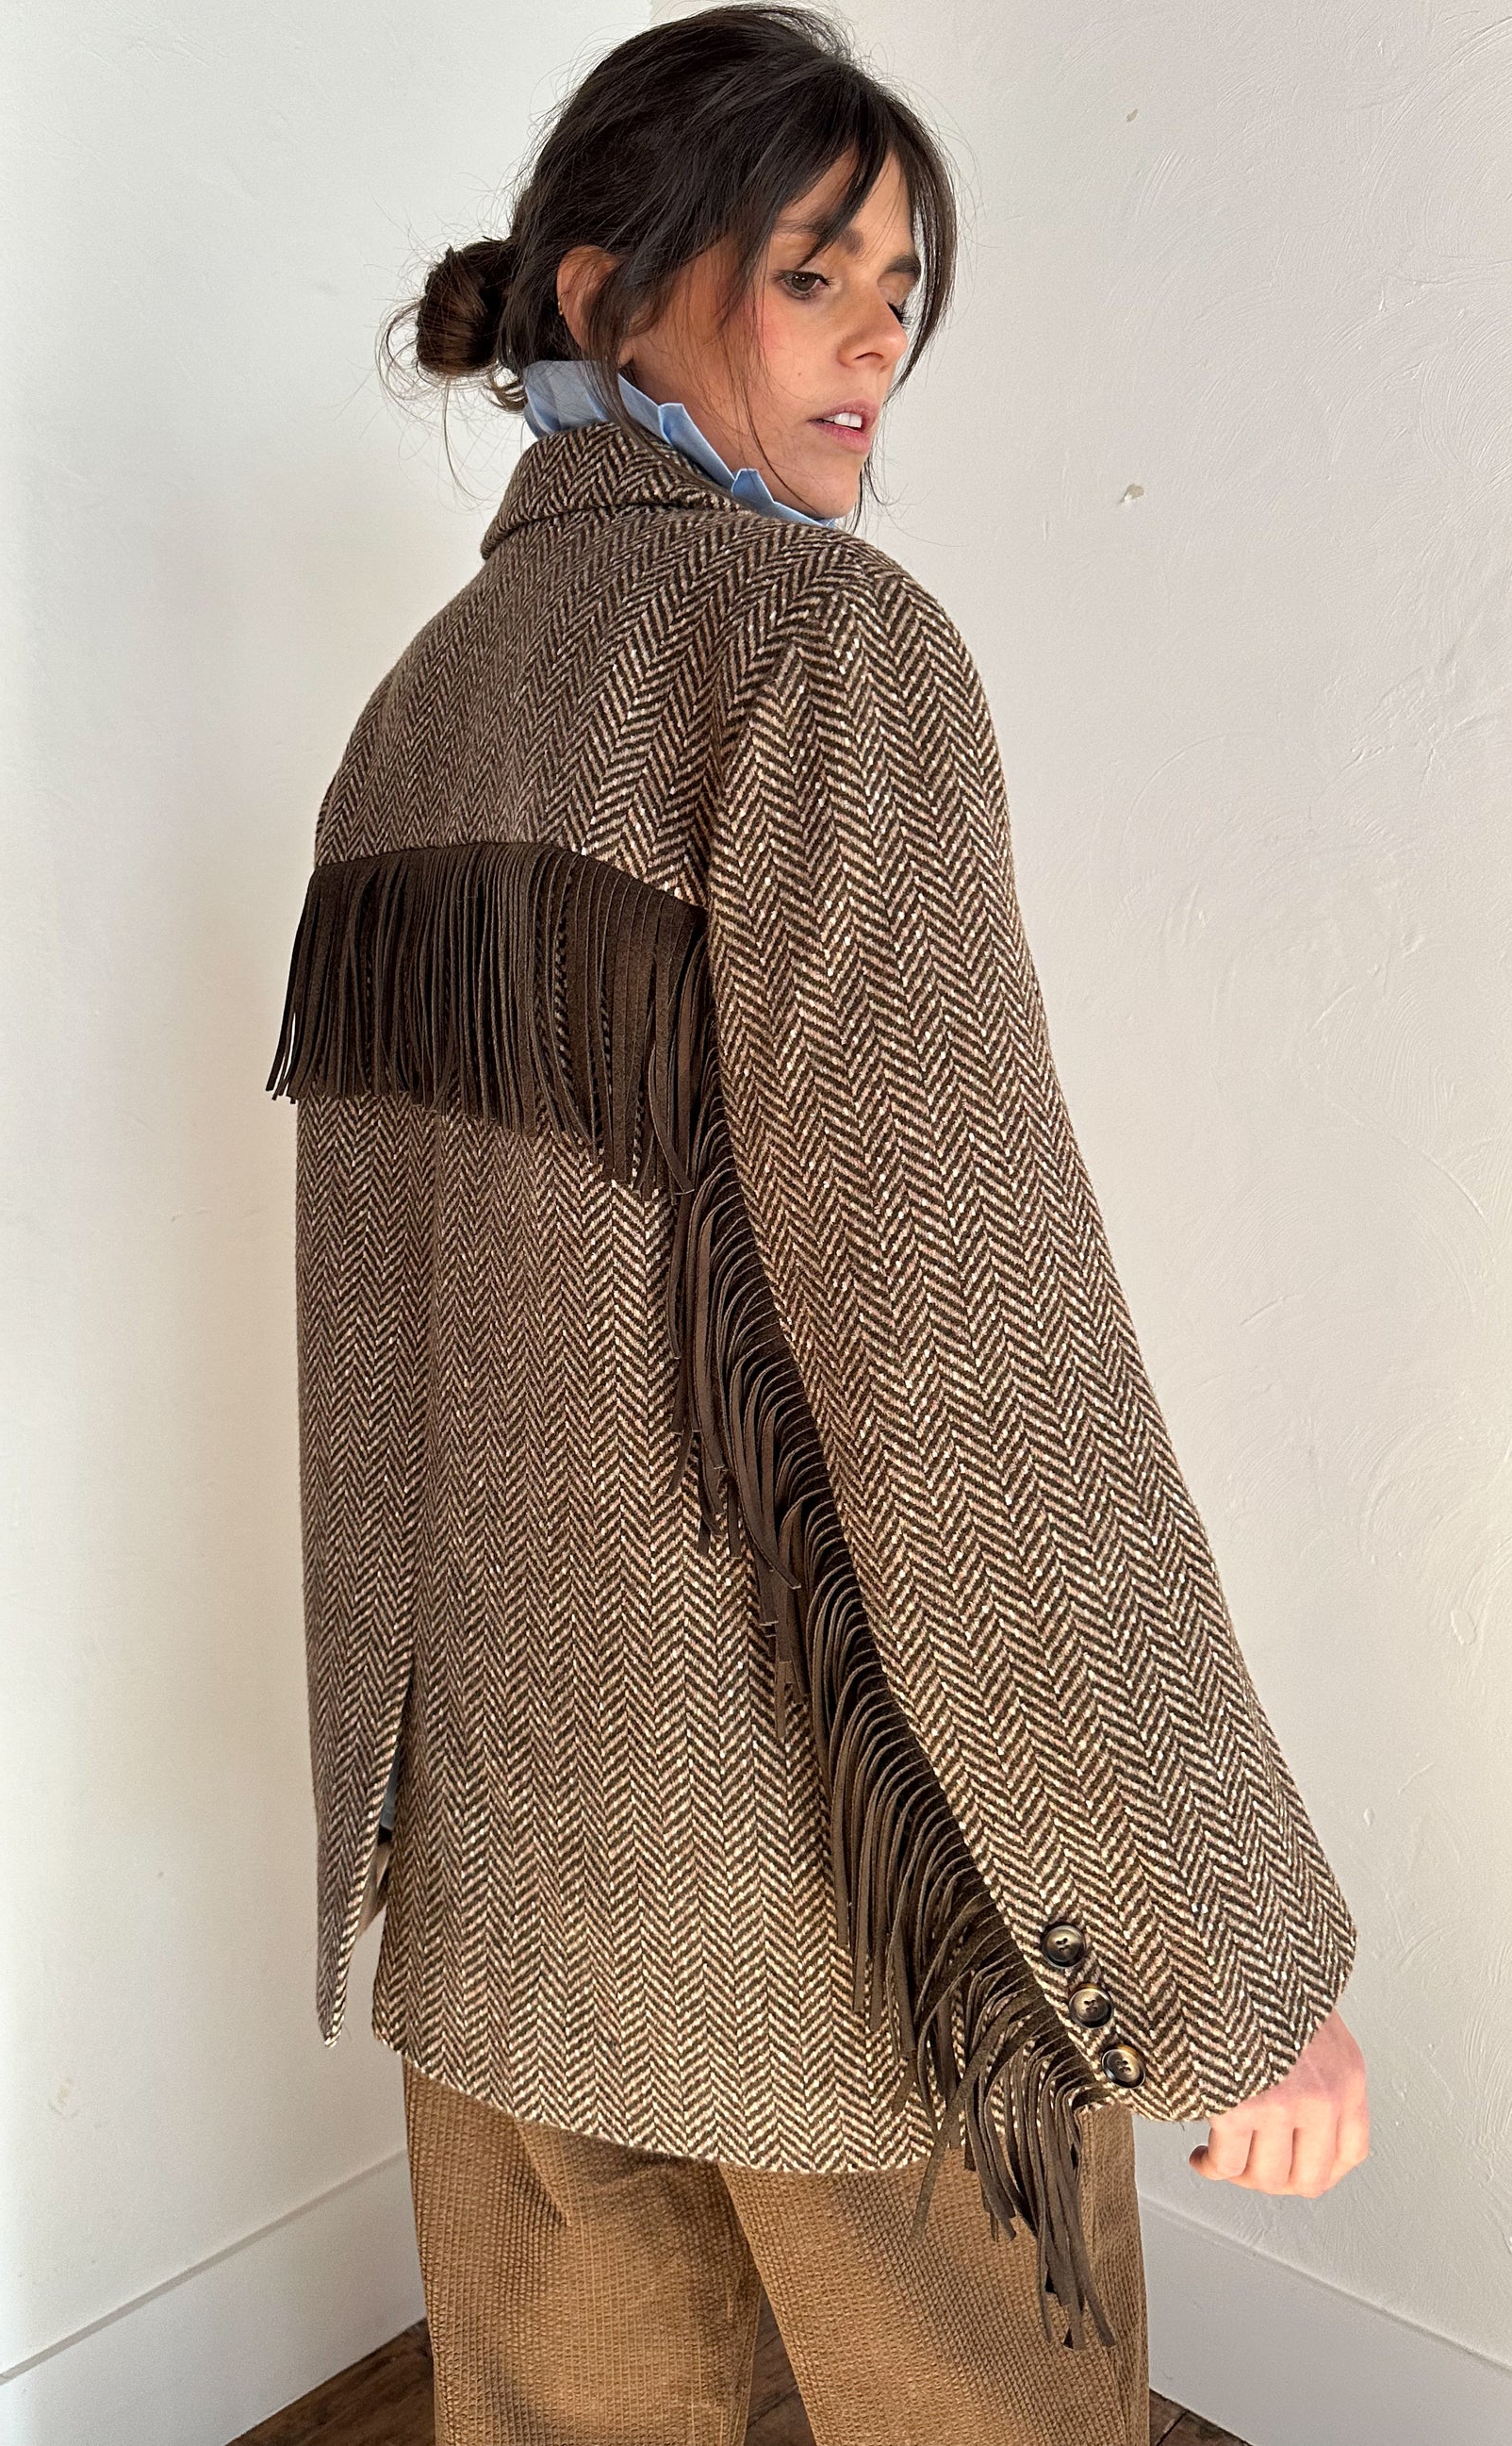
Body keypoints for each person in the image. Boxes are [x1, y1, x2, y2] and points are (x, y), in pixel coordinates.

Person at [267, 9, 1368, 2441]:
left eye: (903, 288)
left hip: (504, 1862)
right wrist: (1213, 1948)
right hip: (836, 1903)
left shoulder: (414, 712)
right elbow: (966, 1340)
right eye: (809, 273)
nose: (877, 339)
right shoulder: (824, 654)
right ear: (606, 293)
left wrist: (413, 1822)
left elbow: (377, 1347)